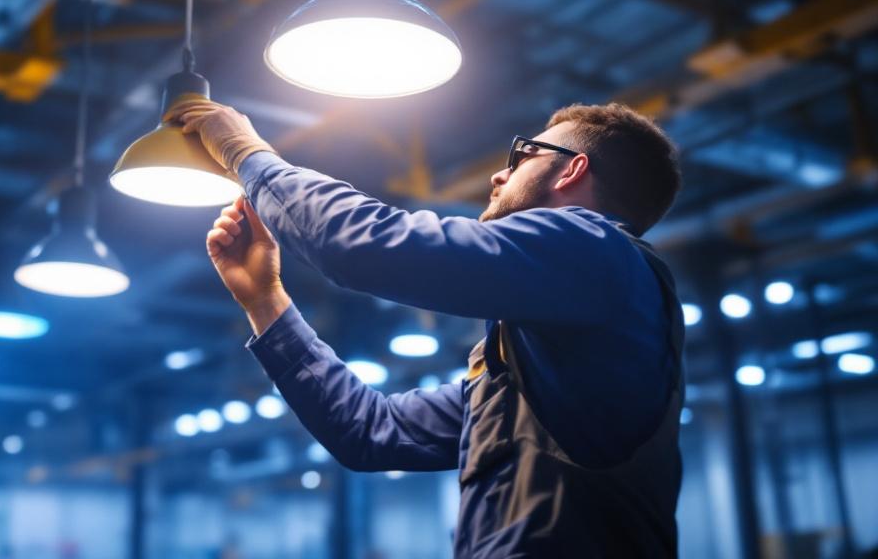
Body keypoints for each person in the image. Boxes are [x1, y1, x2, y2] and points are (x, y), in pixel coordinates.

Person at [171, 100, 685, 558]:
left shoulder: (596, 247)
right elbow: (372, 432)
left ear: (572, 170)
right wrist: (266, 301)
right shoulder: (539, 370)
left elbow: (364, 244)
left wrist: (247, 153)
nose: (498, 177)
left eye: (522, 156)